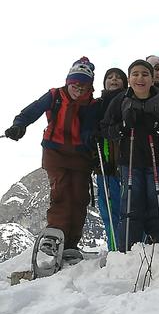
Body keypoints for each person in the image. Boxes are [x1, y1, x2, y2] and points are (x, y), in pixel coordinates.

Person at [5, 57, 100, 256]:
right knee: (61, 192)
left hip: (81, 156)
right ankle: (56, 235)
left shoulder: (92, 104)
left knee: (80, 197)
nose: (79, 89)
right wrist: (19, 125)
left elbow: (94, 127)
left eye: (84, 85)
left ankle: (71, 243)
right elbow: (33, 110)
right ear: (68, 82)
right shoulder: (55, 96)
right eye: (75, 84)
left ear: (90, 85)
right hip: (55, 152)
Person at [101, 59, 159, 251]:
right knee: (130, 206)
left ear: (152, 79)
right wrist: (122, 127)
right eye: (135, 74)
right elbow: (105, 129)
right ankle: (127, 251)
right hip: (129, 162)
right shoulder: (120, 100)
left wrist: (157, 126)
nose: (140, 78)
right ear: (129, 79)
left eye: (145, 74)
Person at [95, 67, 128, 251]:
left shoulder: (129, 101)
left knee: (128, 207)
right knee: (109, 207)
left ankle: (131, 247)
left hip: (125, 160)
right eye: (110, 77)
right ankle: (114, 247)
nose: (114, 80)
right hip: (104, 162)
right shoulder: (97, 104)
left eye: (118, 77)